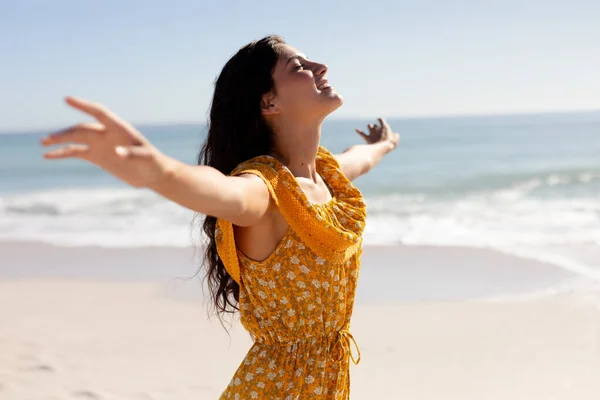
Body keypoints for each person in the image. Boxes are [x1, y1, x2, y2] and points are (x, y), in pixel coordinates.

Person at [41, 35, 399, 399]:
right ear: (268, 101)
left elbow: (360, 157)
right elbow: (219, 191)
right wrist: (159, 171)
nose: (320, 68)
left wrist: (383, 144)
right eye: (299, 68)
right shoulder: (264, 189)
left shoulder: (325, 173)